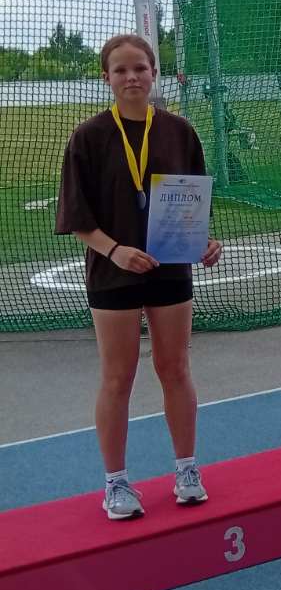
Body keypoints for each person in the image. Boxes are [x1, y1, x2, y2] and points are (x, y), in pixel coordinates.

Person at [55, 33, 223, 520]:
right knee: (117, 377)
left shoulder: (179, 132)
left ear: (154, 73)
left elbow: (192, 204)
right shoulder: (88, 137)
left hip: (170, 271)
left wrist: (204, 243)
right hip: (113, 273)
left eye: (140, 68)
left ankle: (187, 469)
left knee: (175, 368)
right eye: (121, 70)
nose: (131, 77)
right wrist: (116, 251)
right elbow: (77, 217)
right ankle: (116, 483)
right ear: (106, 77)